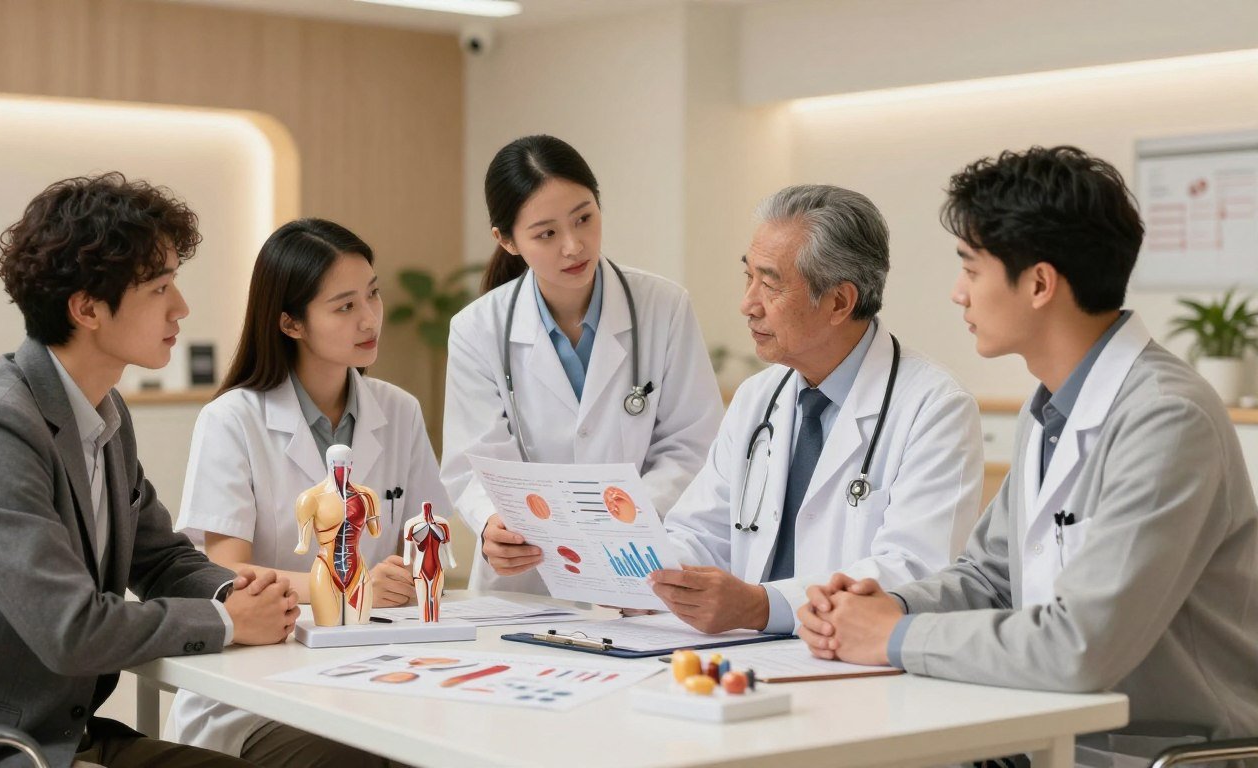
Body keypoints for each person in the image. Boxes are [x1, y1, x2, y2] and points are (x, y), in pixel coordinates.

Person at [798, 146, 1258, 765]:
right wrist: (884, 605)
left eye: (971, 269)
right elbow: (989, 578)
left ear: (1039, 283)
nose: (957, 293)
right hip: (1049, 735)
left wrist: (894, 636)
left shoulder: (1167, 418)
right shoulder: (1050, 410)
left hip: (1158, 755)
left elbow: (1080, 647)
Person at [0, 173, 298, 768]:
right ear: (87, 308)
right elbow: (69, 629)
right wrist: (226, 621)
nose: (181, 307)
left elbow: (161, 559)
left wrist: (235, 591)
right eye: (160, 287)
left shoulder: (103, 411)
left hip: (63, 734)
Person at [168, 218, 446, 766]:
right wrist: (355, 587)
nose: (369, 318)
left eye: (372, 294)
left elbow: (419, 543)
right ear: (290, 322)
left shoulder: (399, 410)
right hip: (260, 687)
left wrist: (405, 576)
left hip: (380, 668)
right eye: (344, 306)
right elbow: (229, 573)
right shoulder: (232, 420)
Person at [655, 184, 985, 634]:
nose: (748, 304)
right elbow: (699, 533)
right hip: (743, 654)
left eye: (770, 284)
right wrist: (649, 576)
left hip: (856, 662)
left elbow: (915, 571)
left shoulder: (935, 408)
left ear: (839, 302)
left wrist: (762, 607)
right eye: (748, 277)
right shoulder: (757, 398)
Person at [441, 134, 724, 595]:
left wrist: (617, 520)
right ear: (506, 240)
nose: (574, 246)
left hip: (637, 561)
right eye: (546, 233)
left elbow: (692, 443)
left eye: (584, 219)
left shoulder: (663, 306)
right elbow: (473, 462)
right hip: (527, 574)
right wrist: (495, 522)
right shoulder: (477, 328)